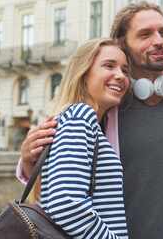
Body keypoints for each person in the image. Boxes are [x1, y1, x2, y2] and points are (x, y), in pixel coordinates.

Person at [17, 2, 163, 239]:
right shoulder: (106, 106)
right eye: (145, 34)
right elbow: (61, 192)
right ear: (123, 44)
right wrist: (27, 159)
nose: (159, 41)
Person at [38, 38, 130, 238]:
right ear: (83, 73)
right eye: (109, 66)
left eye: (125, 70)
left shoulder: (77, 118)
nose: (120, 76)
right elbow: (66, 205)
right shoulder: (80, 116)